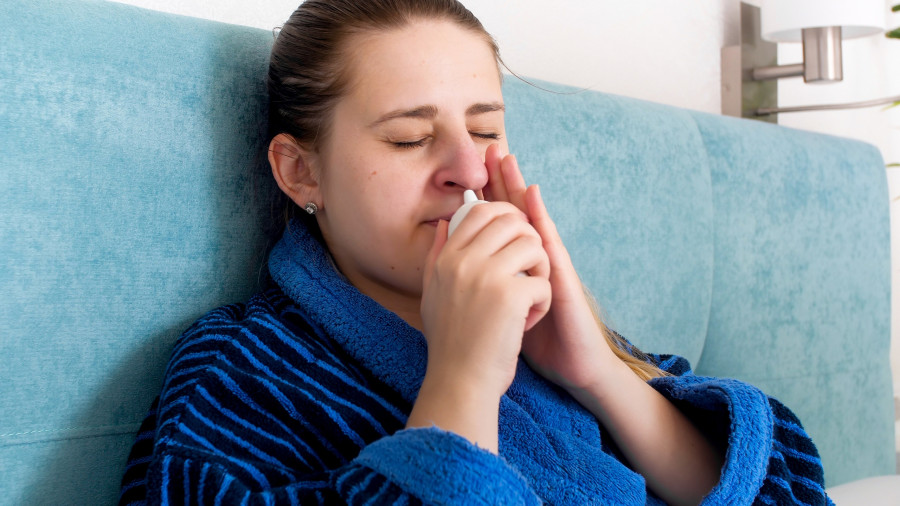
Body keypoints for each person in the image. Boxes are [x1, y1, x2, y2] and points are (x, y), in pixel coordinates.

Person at [118, 1, 832, 504]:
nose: (465, 167)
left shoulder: (546, 332)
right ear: (301, 172)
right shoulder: (239, 369)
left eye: (485, 130)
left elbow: (791, 494)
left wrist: (600, 375)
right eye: (409, 137)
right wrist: (461, 381)